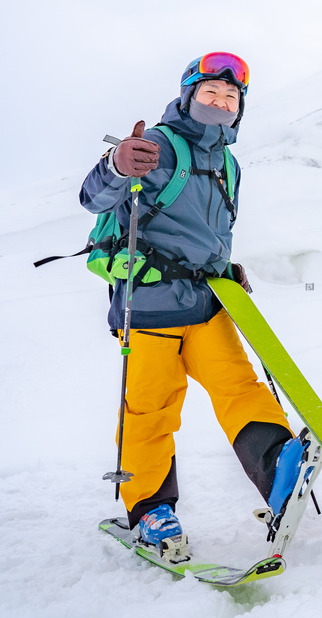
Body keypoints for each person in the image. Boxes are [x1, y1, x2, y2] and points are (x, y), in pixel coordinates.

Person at [80, 52, 306, 561]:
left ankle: (280, 471)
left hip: (207, 306)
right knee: (150, 411)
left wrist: (225, 267)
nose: (221, 102)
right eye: (211, 93)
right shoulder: (157, 144)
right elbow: (94, 199)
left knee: (238, 387)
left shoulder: (228, 162)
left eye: (231, 97)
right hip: (151, 307)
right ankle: (152, 510)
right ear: (188, 96)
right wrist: (117, 165)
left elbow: (209, 232)